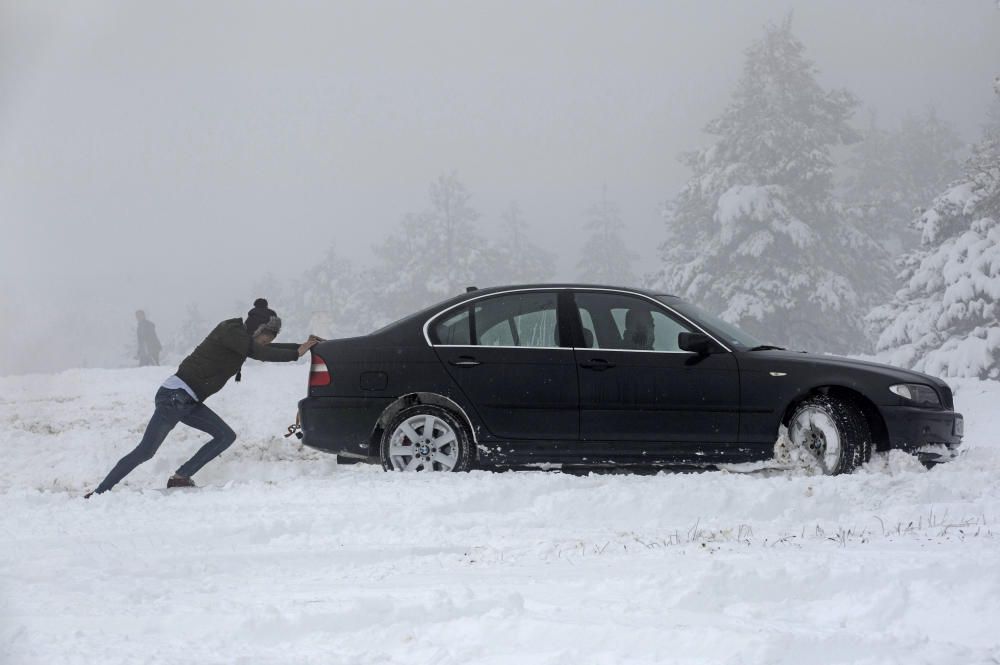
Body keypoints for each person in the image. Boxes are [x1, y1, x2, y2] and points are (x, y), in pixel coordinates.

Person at [87, 299, 320, 496]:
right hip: (174, 397)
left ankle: (181, 477)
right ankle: (100, 492)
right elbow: (259, 352)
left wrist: (304, 346)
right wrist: (296, 354)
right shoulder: (231, 331)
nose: (266, 344)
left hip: (188, 401)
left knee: (225, 435)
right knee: (146, 451)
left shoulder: (242, 337)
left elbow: (263, 348)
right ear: (256, 330)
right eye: (265, 338)